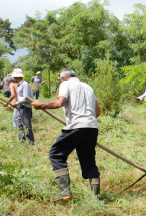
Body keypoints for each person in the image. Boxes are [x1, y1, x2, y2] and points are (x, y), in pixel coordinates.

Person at [31, 69, 101, 201]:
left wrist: (41, 105)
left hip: (76, 126)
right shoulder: (88, 87)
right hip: (92, 127)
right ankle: (96, 198)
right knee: (89, 161)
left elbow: (59, 103)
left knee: (56, 154)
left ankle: (64, 191)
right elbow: (97, 112)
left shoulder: (65, 85)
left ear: (63, 78)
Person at [10, 69, 34, 145]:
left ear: (17, 77)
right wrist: (15, 102)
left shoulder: (25, 84)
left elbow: (25, 97)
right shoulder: (19, 85)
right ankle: (22, 142)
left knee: (27, 126)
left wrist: (16, 103)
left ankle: (31, 143)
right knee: (19, 125)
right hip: (20, 108)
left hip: (25, 108)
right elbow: (20, 97)